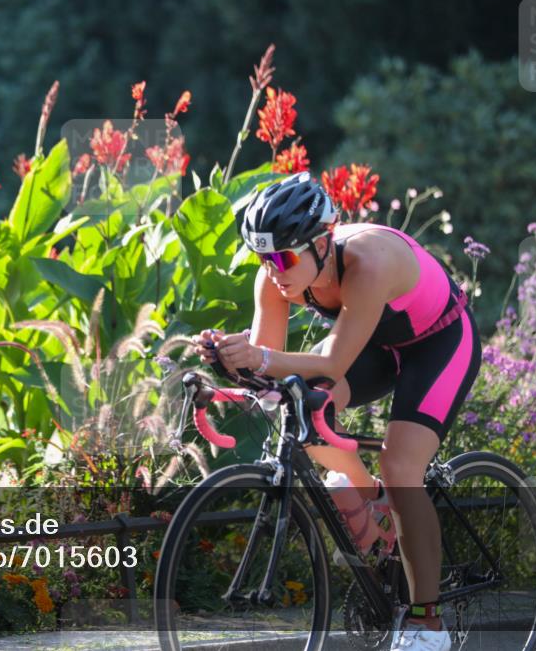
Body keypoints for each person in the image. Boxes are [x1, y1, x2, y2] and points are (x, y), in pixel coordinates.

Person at [190, 172, 481, 651]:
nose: (273, 270)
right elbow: (269, 375)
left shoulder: (368, 261)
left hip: (438, 343)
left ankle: (428, 625)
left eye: (283, 257)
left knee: (400, 466)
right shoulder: (276, 277)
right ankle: (375, 503)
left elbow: (331, 363)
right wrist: (229, 359)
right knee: (298, 404)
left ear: (322, 243)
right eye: (263, 258)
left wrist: (258, 357)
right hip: (378, 346)